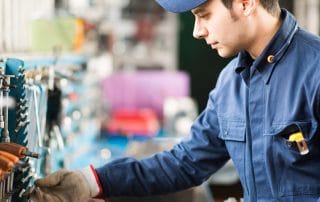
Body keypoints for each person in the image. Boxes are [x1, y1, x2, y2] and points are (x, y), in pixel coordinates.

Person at [29, 0, 320, 201]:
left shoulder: (315, 71)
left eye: (203, 14)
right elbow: (184, 163)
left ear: (245, 3)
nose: (197, 31)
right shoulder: (231, 83)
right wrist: (91, 182)